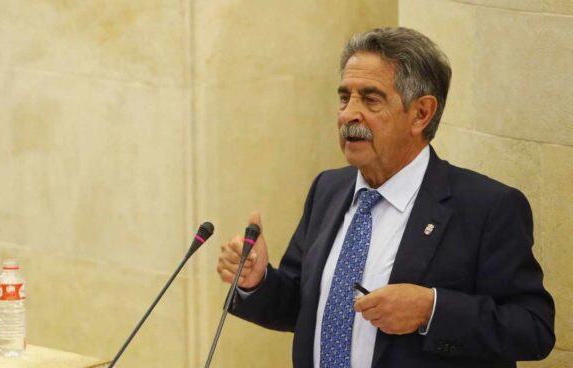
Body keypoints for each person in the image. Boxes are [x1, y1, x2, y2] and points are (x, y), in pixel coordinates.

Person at [216, 27, 555, 368]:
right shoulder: (328, 189)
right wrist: (257, 282)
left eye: (371, 99)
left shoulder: (486, 207)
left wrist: (431, 311)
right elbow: (301, 308)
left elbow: (533, 329)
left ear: (421, 113)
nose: (349, 114)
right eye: (345, 98)